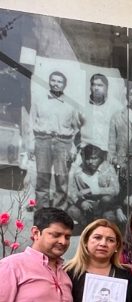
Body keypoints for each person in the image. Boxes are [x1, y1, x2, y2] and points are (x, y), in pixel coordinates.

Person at [31, 71, 80, 208]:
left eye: (59, 81)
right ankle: (42, 210)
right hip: (43, 141)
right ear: (49, 82)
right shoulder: (39, 100)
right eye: (53, 80)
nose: (56, 84)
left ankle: (59, 212)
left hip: (63, 143)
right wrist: (31, 142)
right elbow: (31, 121)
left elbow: (76, 127)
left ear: (64, 85)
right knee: (42, 177)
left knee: (62, 179)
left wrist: (73, 146)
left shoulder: (71, 104)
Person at [66, 143, 120, 225]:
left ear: (100, 158)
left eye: (94, 158)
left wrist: (92, 190)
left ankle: (98, 220)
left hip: (102, 205)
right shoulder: (78, 170)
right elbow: (71, 191)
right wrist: (80, 202)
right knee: (72, 211)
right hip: (86, 205)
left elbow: (115, 189)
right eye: (88, 159)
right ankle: (87, 222)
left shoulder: (108, 168)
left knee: (109, 214)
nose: (90, 162)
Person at [78, 73, 116, 157]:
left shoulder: (114, 108)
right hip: (85, 151)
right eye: (93, 85)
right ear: (90, 87)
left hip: (105, 152)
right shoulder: (82, 106)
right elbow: (74, 129)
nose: (96, 88)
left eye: (100, 85)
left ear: (107, 87)